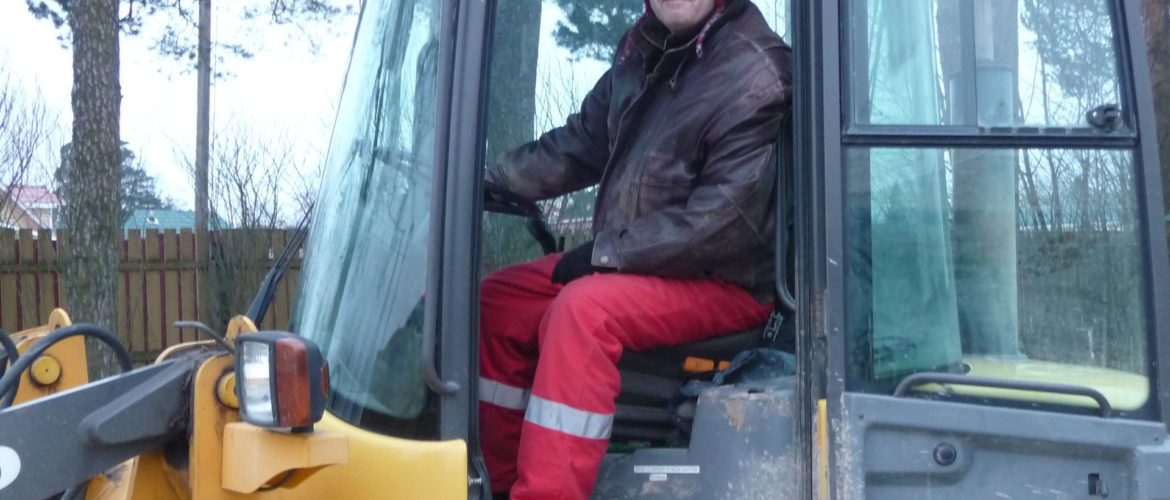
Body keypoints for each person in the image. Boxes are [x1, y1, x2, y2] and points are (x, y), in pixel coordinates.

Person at [478, 0, 791, 497]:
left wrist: (604, 255)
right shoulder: (642, 50)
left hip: (724, 283)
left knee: (583, 311)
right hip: (640, 261)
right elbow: (581, 143)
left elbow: (720, 222)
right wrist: (492, 180)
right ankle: (496, 480)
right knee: (499, 300)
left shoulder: (753, 71)